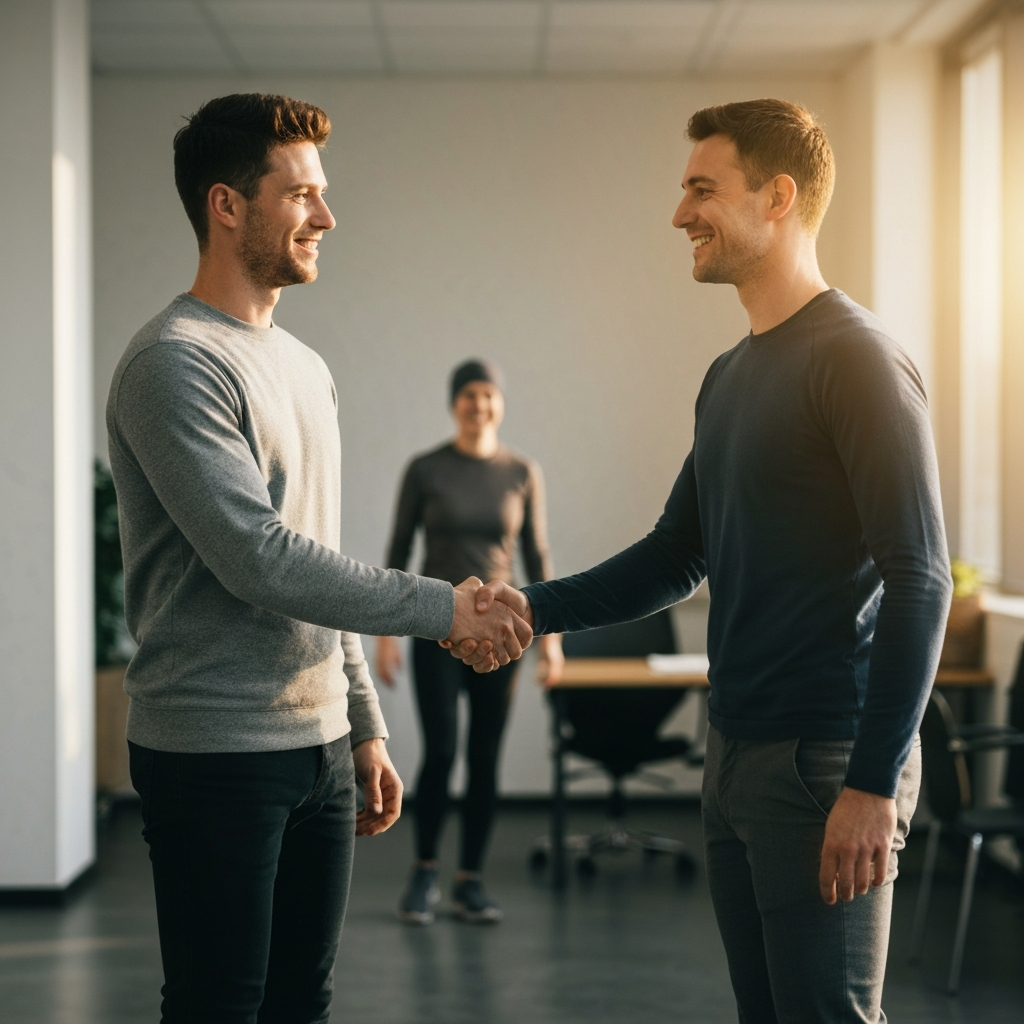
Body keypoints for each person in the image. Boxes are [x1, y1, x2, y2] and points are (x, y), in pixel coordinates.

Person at [456, 99, 952, 1023]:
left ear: (778, 197)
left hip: (825, 760)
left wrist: (873, 783)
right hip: (734, 751)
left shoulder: (859, 359)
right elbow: (676, 554)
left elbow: (921, 576)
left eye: (702, 189)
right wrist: (528, 607)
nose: (679, 213)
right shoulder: (730, 376)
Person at [106, 93, 531, 1024]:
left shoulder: (305, 366)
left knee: (303, 1003)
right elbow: (260, 559)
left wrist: (362, 723)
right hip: (215, 750)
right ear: (227, 205)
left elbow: (319, 559)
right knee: (220, 1005)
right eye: (301, 194)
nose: (327, 217)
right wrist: (446, 607)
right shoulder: (173, 363)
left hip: (322, 748)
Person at [376, 359, 563, 925]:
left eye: (487, 394)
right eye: (468, 394)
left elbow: (537, 556)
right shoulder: (425, 469)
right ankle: (424, 871)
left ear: (499, 403)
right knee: (441, 752)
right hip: (436, 628)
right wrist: (386, 635)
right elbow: (398, 551)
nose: (478, 404)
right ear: (454, 403)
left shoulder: (521, 472)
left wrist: (551, 640)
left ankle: (470, 881)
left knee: (484, 756)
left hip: (501, 633)